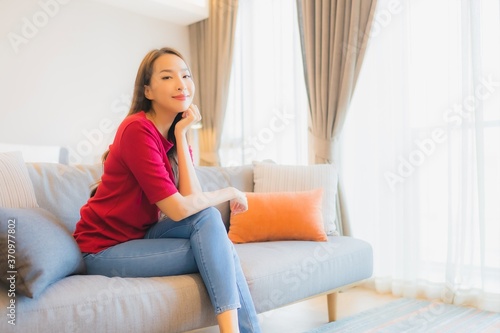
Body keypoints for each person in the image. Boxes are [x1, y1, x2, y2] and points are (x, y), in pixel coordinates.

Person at [73, 47, 261, 333]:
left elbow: (192, 202)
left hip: (142, 236)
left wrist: (183, 133)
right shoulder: (136, 129)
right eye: (167, 76)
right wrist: (231, 191)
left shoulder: (175, 133)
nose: (181, 83)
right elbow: (177, 209)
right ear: (147, 90)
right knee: (218, 248)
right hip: (103, 249)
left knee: (210, 222)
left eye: (185, 75)